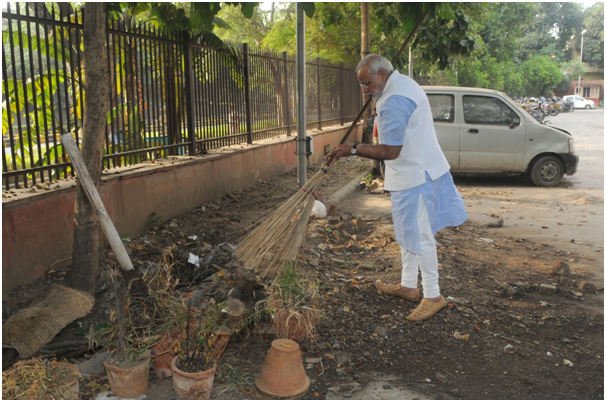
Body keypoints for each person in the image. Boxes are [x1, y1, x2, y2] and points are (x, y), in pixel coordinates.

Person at [325, 54, 467, 321]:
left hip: (417, 176)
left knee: (421, 236)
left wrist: (351, 149)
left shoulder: (393, 100)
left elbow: (390, 150)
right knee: (407, 232)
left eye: (367, 83)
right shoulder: (402, 84)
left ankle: (433, 295)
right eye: (362, 85)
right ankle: (408, 286)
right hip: (416, 172)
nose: (365, 90)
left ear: (381, 75)